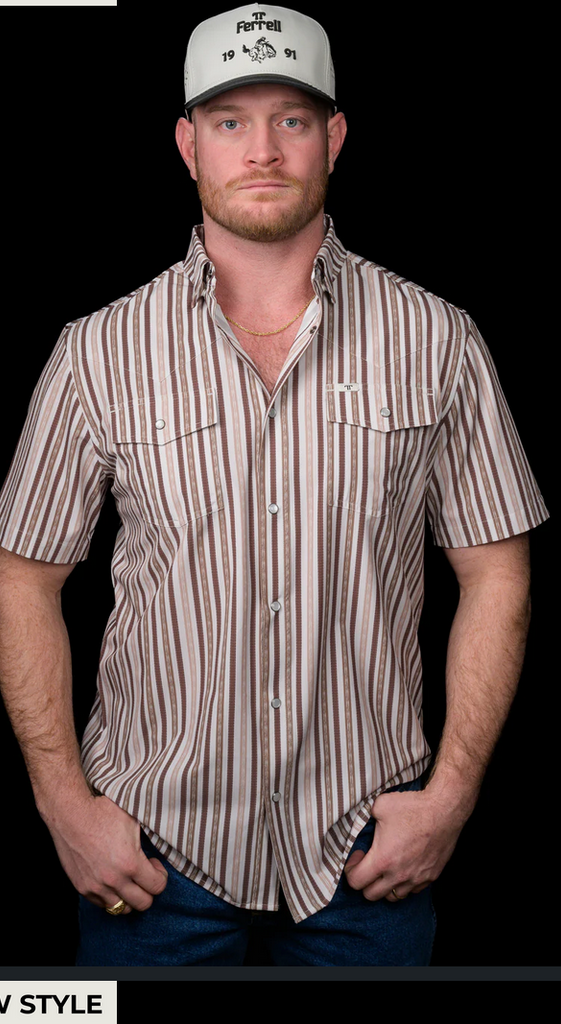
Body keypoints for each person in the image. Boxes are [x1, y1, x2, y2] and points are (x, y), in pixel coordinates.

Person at [0, 4, 549, 968]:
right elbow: (24, 581)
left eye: (291, 118)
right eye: (230, 121)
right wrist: (62, 806)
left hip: (368, 858)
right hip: (150, 859)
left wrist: (451, 797)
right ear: (188, 145)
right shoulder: (96, 352)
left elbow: (496, 573)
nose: (262, 149)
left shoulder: (437, 338)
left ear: (333, 137)